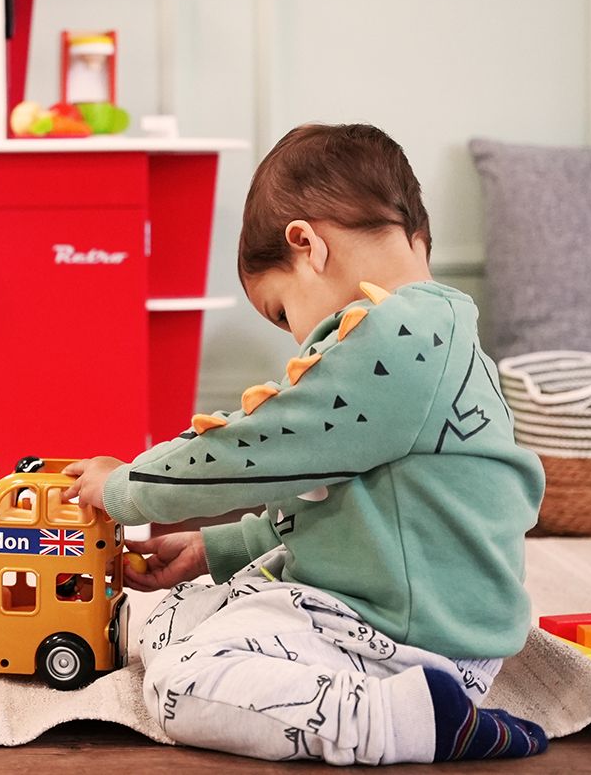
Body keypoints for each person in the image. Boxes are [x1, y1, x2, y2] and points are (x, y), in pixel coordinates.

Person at [63, 123, 548, 765]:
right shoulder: (429, 334)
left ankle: (404, 719)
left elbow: (258, 446)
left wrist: (126, 486)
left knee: (181, 686)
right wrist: (221, 547)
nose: (297, 341)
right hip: (388, 605)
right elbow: (349, 506)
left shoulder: (399, 336)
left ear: (306, 244)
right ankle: (150, 630)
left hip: (410, 638)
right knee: (174, 614)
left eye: (281, 312)